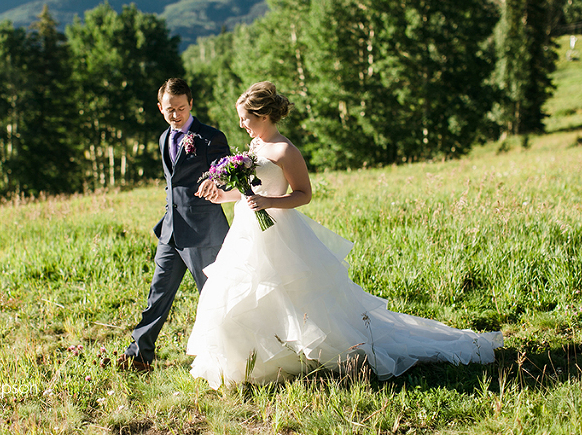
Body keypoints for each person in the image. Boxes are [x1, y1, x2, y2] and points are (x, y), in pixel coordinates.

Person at [187, 81, 503, 389]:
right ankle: (255, 361)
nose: (242, 124)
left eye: (246, 118)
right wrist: (222, 195)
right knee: (242, 296)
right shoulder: (255, 146)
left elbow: (303, 194)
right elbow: (249, 193)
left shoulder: (286, 150)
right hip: (246, 232)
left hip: (279, 234)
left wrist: (269, 202)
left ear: (264, 115)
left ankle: (307, 354)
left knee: (290, 295)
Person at [117, 78, 230, 372]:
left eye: (180, 108)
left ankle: (229, 354)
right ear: (160, 108)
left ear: (190, 104)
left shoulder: (210, 137)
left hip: (204, 233)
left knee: (214, 296)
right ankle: (139, 355)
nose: (175, 115)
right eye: (169, 110)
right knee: (158, 295)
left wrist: (214, 180)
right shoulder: (162, 137)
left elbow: (226, 173)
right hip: (170, 232)